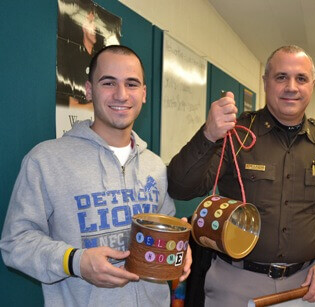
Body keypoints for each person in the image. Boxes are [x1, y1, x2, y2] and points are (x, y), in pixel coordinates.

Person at [167, 45, 315, 306]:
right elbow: (181, 188)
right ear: (266, 82)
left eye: (301, 78)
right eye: (281, 77)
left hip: (306, 287)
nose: (291, 87)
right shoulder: (235, 135)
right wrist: (208, 135)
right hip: (235, 283)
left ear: (312, 85)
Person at [0, 45, 191, 307]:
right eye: (108, 82)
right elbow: (15, 243)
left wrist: (178, 248)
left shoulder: (155, 165)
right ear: (89, 90)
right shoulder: (45, 160)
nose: (121, 95)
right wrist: (76, 261)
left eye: (132, 84)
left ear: (144, 94)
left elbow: (164, 227)